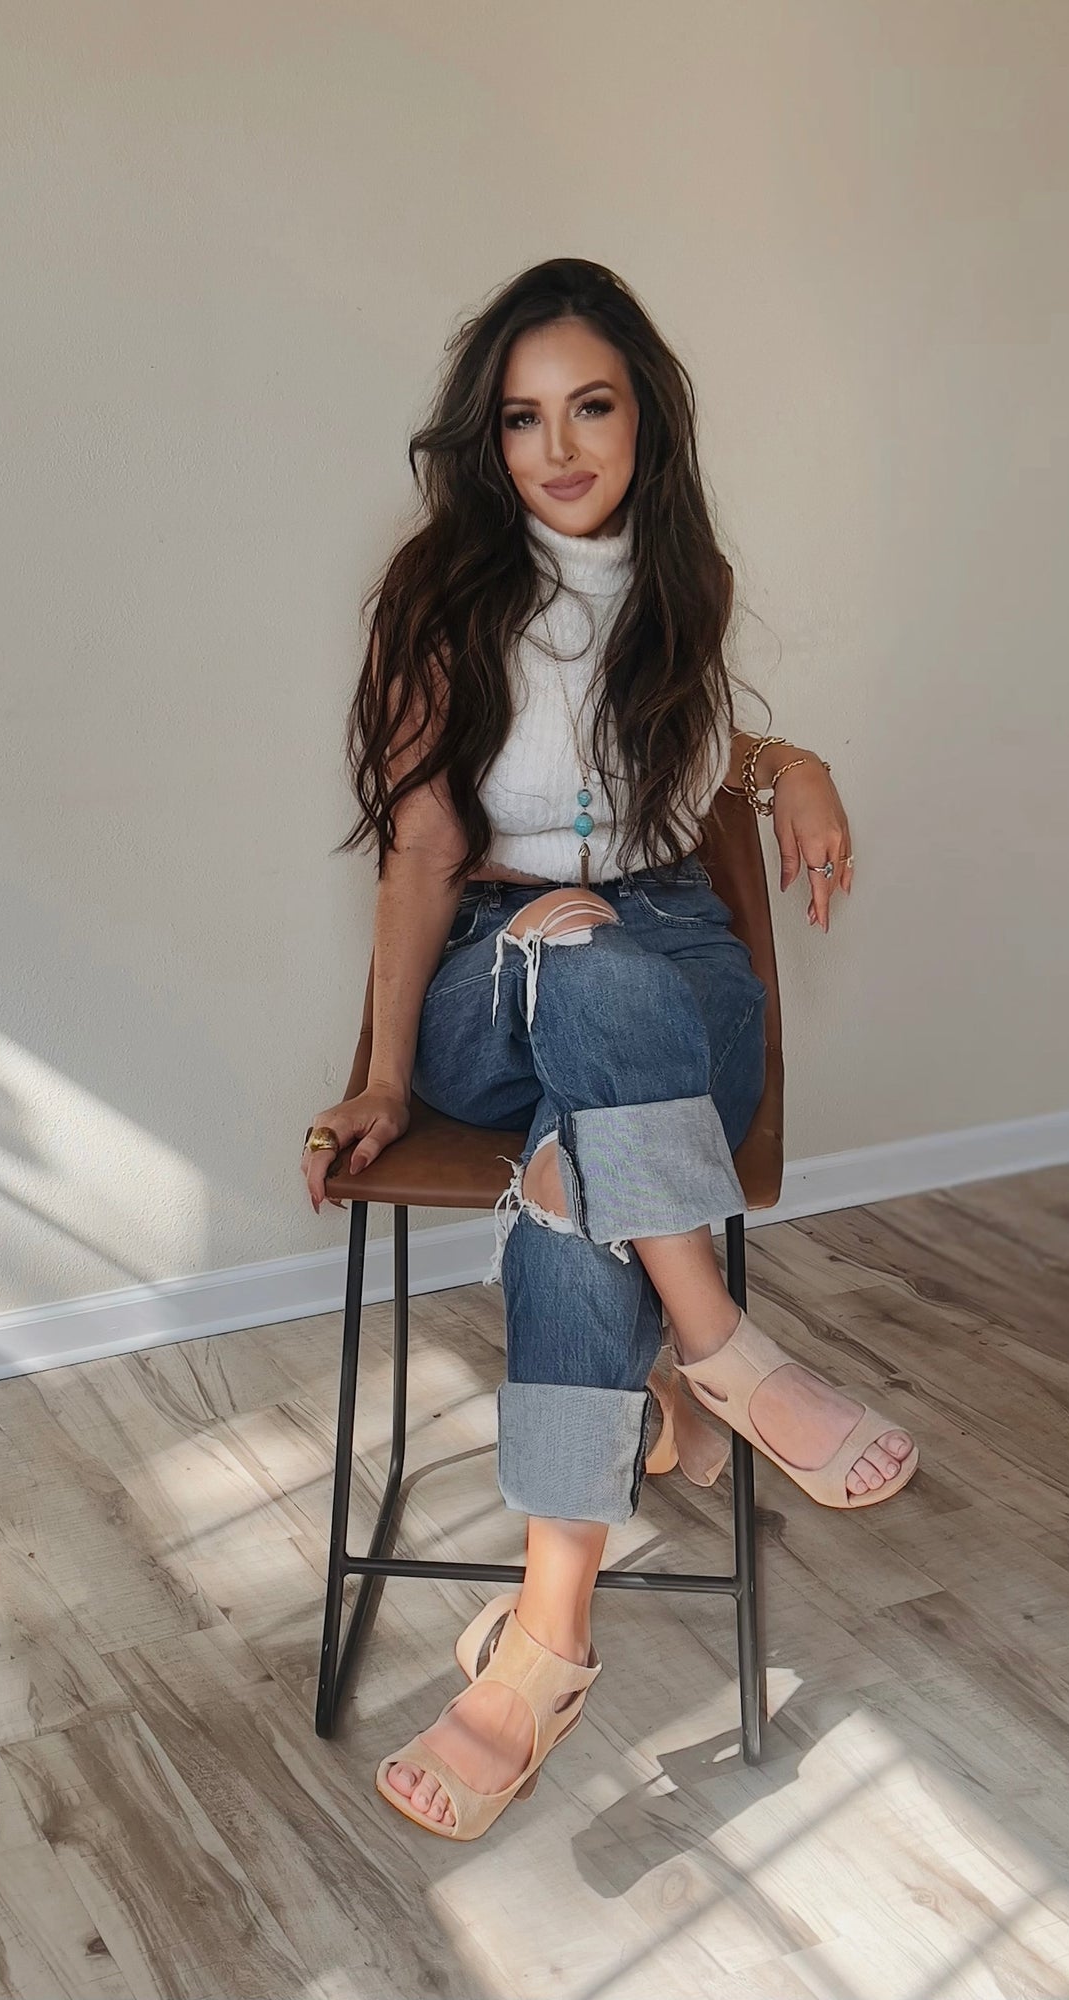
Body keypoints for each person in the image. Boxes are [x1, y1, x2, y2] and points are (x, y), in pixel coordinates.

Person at [301, 258, 918, 1842]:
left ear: (645, 417)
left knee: (579, 1175)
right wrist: (383, 1077)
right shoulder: (440, 597)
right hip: (492, 978)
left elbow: (708, 758)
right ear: (484, 437)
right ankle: (719, 1347)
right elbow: (425, 858)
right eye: (521, 418)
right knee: (567, 940)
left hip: (673, 965)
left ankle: (548, 1641)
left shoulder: (680, 577)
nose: (557, 447)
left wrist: (794, 757)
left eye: (590, 407)